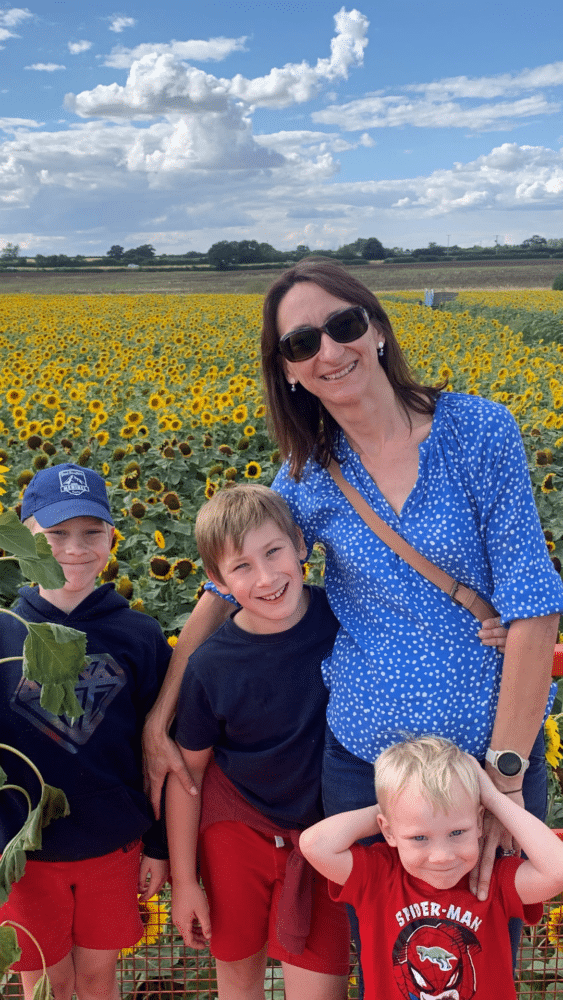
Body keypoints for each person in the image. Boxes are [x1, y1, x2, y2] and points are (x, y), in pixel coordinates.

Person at [143, 259, 563, 987]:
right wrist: (163, 714)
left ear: (376, 328)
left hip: (492, 760)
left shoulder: (476, 432)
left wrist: (503, 776)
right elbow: (225, 582)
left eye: (342, 326)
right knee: (385, 964)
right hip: (367, 776)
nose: (328, 351)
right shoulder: (308, 474)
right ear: (289, 371)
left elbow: (531, 605)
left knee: (485, 961)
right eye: (302, 343)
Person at [166, 483, 350, 1000]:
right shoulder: (210, 665)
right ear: (217, 581)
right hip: (235, 832)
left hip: (320, 840)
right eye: (241, 566)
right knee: (237, 983)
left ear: (300, 543)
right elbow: (189, 774)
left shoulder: (345, 619)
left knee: (321, 991)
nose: (267, 578)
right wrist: (185, 882)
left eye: (273, 552)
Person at [0, 464, 171, 1000]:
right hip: (26, 852)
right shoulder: (5, 630)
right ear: (23, 538)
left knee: (99, 979)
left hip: (112, 843)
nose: (74, 548)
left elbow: (159, 753)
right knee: (45, 983)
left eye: (91, 532)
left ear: (112, 537)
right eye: (55, 534)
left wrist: (159, 846)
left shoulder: (139, 635)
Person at [300, 735, 563, 1000]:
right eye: (419, 837)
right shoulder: (378, 875)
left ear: (480, 823)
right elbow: (314, 844)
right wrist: (395, 809)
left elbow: (558, 870)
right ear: (388, 831)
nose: (441, 856)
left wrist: (494, 798)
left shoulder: (493, 879)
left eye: (457, 832)